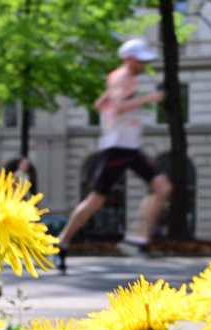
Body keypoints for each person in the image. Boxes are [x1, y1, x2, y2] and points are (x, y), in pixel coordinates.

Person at [55, 38, 171, 274]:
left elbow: (102, 105)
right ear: (129, 59)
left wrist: (107, 102)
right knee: (96, 200)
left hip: (130, 146)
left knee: (162, 186)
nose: (143, 65)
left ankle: (136, 239)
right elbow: (118, 106)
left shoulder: (122, 80)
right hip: (117, 147)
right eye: (141, 61)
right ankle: (62, 242)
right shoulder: (121, 77)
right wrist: (150, 99)